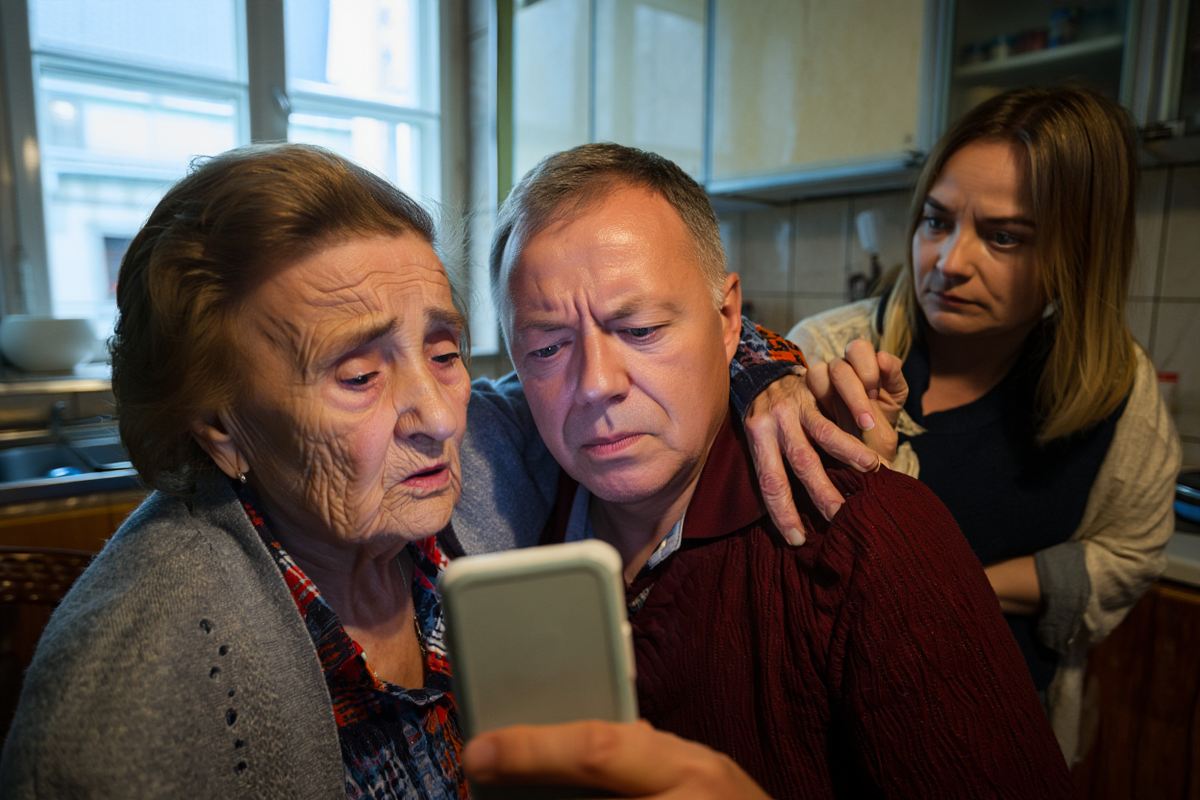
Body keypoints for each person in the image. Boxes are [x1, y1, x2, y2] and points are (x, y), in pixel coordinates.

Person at [0, 143, 865, 799]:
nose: (442, 418)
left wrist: (763, 371)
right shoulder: (132, 709)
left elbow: (624, 355)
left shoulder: (484, 456)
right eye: (359, 376)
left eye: (444, 351)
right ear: (222, 426)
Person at [485, 142, 1075, 798]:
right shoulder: (508, 511)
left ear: (729, 320)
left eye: (643, 329)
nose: (596, 383)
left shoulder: (867, 534)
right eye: (547, 348)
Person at [789, 85, 1182, 763]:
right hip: (832, 736)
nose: (949, 262)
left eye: (1003, 237)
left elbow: (1131, 553)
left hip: (1004, 732)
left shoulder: (1116, 386)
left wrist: (967, 591)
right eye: (936, 221)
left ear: (1078, 253)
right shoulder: (827, 357)